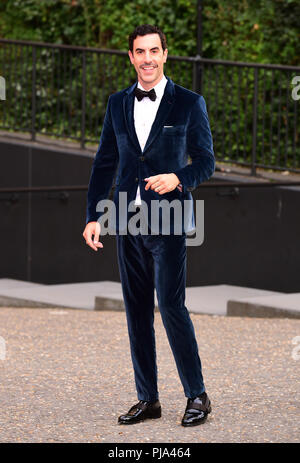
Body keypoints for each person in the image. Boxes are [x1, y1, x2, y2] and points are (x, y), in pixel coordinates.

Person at [82, 24, 215, 427]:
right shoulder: (117, 103)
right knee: (136, 311)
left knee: (171, 306)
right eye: (140, 52)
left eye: (154, 51)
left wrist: (179, 178)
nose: (147, 59)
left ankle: (197, 396)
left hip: (169, 219)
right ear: (131, 57)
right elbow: (104, 161)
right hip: (126, 218)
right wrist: (92, 216)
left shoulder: (189, 103)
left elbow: (206, 162)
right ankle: (148, 399)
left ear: (165, 53)